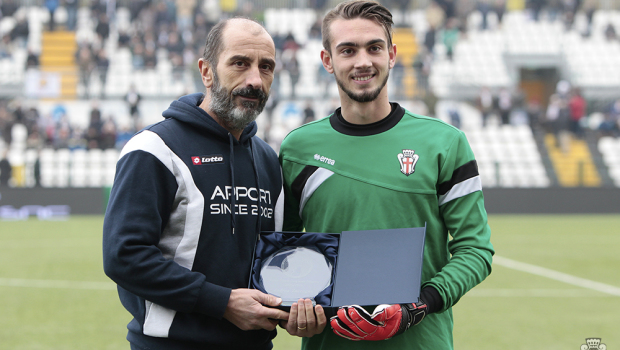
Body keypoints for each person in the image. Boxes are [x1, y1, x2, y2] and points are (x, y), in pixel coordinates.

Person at [279, 1, 494, 349]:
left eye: (374, 48)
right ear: (327, 61)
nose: (363, 61)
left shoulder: (445, 143)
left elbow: (475, 249)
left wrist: (418, 305)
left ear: (392, 54)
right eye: (348, 50)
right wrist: (293, 309)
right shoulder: (297, 149)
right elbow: (284, 254)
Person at [103, 18, 292, 350]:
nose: (255, 80)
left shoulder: (267, 160)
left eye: (266, 67)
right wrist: (222, 302)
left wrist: (295, 307)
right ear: (207, 72)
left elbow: (274, 262)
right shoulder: (154, 149)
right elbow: (124, 256)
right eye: (240, 63)